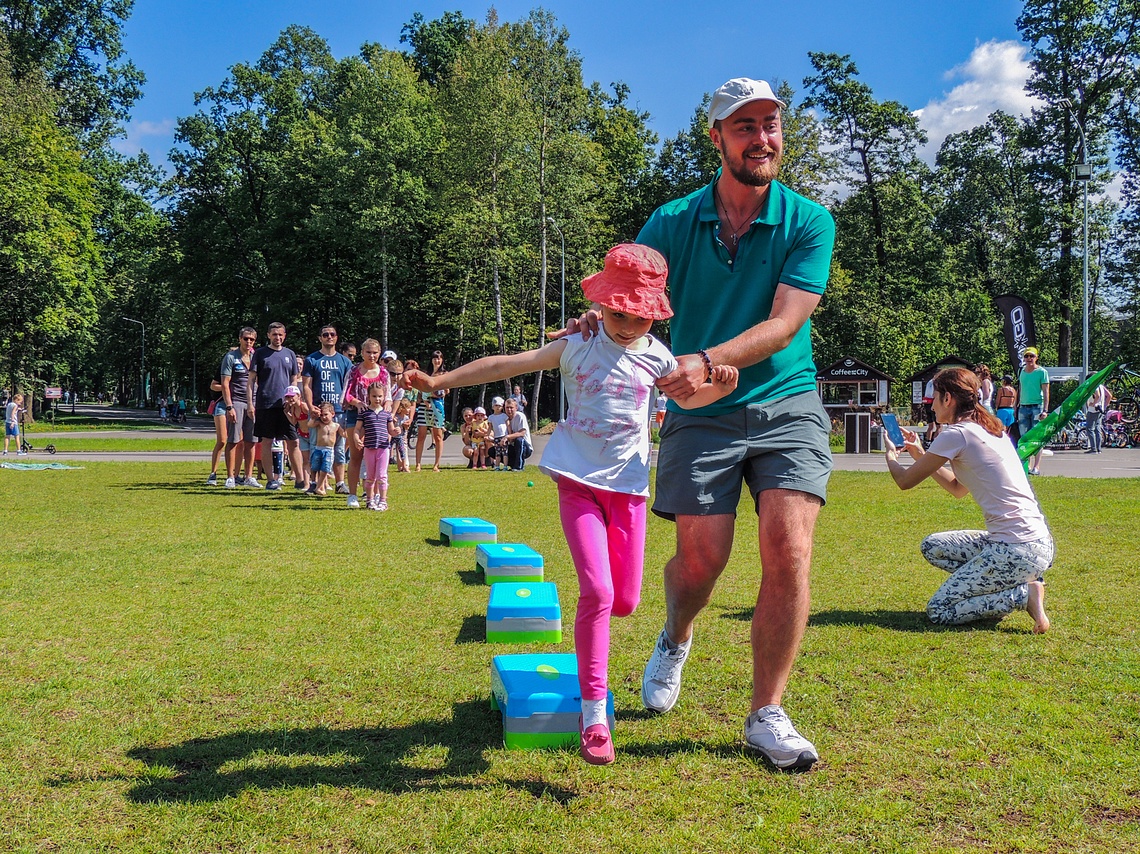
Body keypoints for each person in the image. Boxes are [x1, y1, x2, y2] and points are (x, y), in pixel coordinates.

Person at [559, 78, 836, 770]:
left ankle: (766, 713)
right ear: (715, 137)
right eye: (744, 127)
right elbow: (632, 290)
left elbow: (784, 323)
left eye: (771, 124)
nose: (762, 139)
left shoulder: (808, 221)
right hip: (698, 412)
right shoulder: (673, 221)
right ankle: (676, 634)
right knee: (703, 559)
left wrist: (706, 357)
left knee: (789, 547)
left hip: (786, 400)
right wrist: (601, 321)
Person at [404, 243, 739, 764]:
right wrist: (440, 382)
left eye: (641, 316)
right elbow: (503, 364)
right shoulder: (575, 345)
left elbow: (689, 399)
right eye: (619, 313)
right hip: (576, 484)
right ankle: (594, 717)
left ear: (655, 312)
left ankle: (627, 660)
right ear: (602, 304)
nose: (628, 325)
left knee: (625, 600)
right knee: (598, 592)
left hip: (628, 492)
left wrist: (720, 386)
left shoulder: (658, 356)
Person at [883, 367, 1052, 632]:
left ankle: (1023, 595)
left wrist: (891, 455)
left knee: (939, 610)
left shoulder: (956, 433)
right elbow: (958, 488)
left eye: (934, 398)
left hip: (1016, 549)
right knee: (933, 546)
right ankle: (1014, 584)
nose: (932, 406)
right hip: (1032, 543)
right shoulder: (991, 429)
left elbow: (904, 481)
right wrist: (919, 454)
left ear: (948, 399)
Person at [250, 321, 304, 491]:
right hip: (265, 403)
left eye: (280, 334)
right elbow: (251, 380)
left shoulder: (290, 354)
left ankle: (301, 479)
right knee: (266, 441)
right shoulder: (260, 354)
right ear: (268, 335)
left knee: (293, 441)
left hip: (286, 406)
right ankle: (271, 480)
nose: (277, 338)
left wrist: (294, 398)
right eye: (274, 334)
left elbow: (294, 379)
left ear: (285, 335)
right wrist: (250, 404)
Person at [302, 325, 353, 494]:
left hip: (338, 412)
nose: (329, 337)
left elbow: (348, 386)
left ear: (336, 338)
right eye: (325, 335)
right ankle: (314, 484)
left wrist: (347, 403)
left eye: (332, 334)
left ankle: (340, 483)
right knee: (317, 450)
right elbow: (307, 386)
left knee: (339, 450)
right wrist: (310, 407)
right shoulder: (312, 359)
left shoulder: (345, 361)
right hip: (319, 412)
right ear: (320, 338)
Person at [342, 339, 389, 507]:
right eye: (368, 352)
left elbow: (388, 397)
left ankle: (375, 494)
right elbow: (346, 395)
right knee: (356, 455)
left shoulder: (383, 373)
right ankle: (352, 494)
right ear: (362, 353)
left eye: (375, 352)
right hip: (357, 416)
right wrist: (358, 403)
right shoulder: (354, 371)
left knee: (376, 457)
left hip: (377, 419)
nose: (372, 355)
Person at [220, 327, 261, 488]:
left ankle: (248, 476)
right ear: (240, 339)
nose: (248, 342)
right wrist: (229, 407)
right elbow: (225, 384)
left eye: (251, 339)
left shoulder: (255, 357)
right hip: (236, 401)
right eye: (246, 338)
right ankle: (231, 476)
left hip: (254, 402)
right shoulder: (231, 357)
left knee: (252, 441)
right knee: (233, 440)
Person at [354, 382, 397, 510]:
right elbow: (357, 429)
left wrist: (396, 431)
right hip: (369, 448)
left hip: (383, 448)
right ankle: (369, 500)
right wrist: (356, 438)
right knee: (370, 476)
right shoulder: (364, 413)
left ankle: (383, 501)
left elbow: (391, 430)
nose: (377, 399)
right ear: (369, 396)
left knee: (382, 475)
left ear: (384, 396)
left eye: (380, 396)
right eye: (374, 396)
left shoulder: (386, 414)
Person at [1015, 347, 1050, 475]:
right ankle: (1027, 465)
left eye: (1032, 356)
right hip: (1023, 406)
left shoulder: (1042, 372)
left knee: (1036, 437)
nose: (1029, 359)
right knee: (1024, 437)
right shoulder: (1021, 371)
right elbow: (1020, 389)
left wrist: (1045, 410)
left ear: (1036, 358)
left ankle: (1036, 466)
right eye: (1027, 356)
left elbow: (1046, 392)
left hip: (1037, 406)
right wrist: (1015, 406)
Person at [413, 351, 447, 472]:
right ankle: (418, 463)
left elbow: (446, 391)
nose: (437, 360)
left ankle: (436, 464)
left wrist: (434, 393)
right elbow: (420, 389)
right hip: (424, 405)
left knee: (438, 436)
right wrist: (424, 398)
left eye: (439, 358)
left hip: (437, 406)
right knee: (421, 435)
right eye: (435, 358)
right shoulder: (426, 373)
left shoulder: (444, 374)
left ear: (442, 360)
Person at [305, 401, 346, 496]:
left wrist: (348, 428)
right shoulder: (319, 424)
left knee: (325, 469)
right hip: (318, 448)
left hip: (329, 450)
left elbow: (344, 434)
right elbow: (309, 425)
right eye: (322, 415)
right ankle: (314, 484)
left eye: (326, 414)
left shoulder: (336, 426)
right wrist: (313, 417)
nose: (324, 417)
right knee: (315, 467)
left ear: (333, 414)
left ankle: (319, 487)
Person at [501, 397, 531, 471]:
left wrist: (507, 437)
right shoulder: (504, 418)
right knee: (493, 450)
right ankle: (512, 464)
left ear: (516, 407)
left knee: (519, 440)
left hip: (525, 447)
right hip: (511, 446)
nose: (509, 410)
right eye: (507, 407)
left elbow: (522, 433)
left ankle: (519, 467)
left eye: (511, 407)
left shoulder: (520, 416)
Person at [1085, 382, 1112, 454]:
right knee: (1097, 428)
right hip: (1100, 410)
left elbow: (1097, 395)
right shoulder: (1101, 386)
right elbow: (1109, 396)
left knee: (1089, 428)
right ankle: (1098, 448)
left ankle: (1093, 448)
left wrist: (1093, 404)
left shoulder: (1094, 386)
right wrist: (1104, 406)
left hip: (1093, 410)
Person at [486, 396, 509, 470]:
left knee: (505, 452)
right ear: (493, 407)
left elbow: (508, 425)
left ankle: (505, 466)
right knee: (497, 452)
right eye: (496, 405)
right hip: (496, 437)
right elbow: (489, 427)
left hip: (504, 436)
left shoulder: (504, 416)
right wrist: (487, 435)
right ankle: (497, 466)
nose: (498, 407)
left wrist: (509, 434)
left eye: (499, 406)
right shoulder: (491, 417)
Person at [391, 398, 413, 473]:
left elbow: (406, 428)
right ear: (401, 408)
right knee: (387, 450)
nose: (409, 410)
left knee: (402, 451)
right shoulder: (395, 416)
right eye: (407, 408)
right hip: (392, 437)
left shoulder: (406, 418)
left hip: (400, 437)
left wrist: (405, 426)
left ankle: (404, 466)